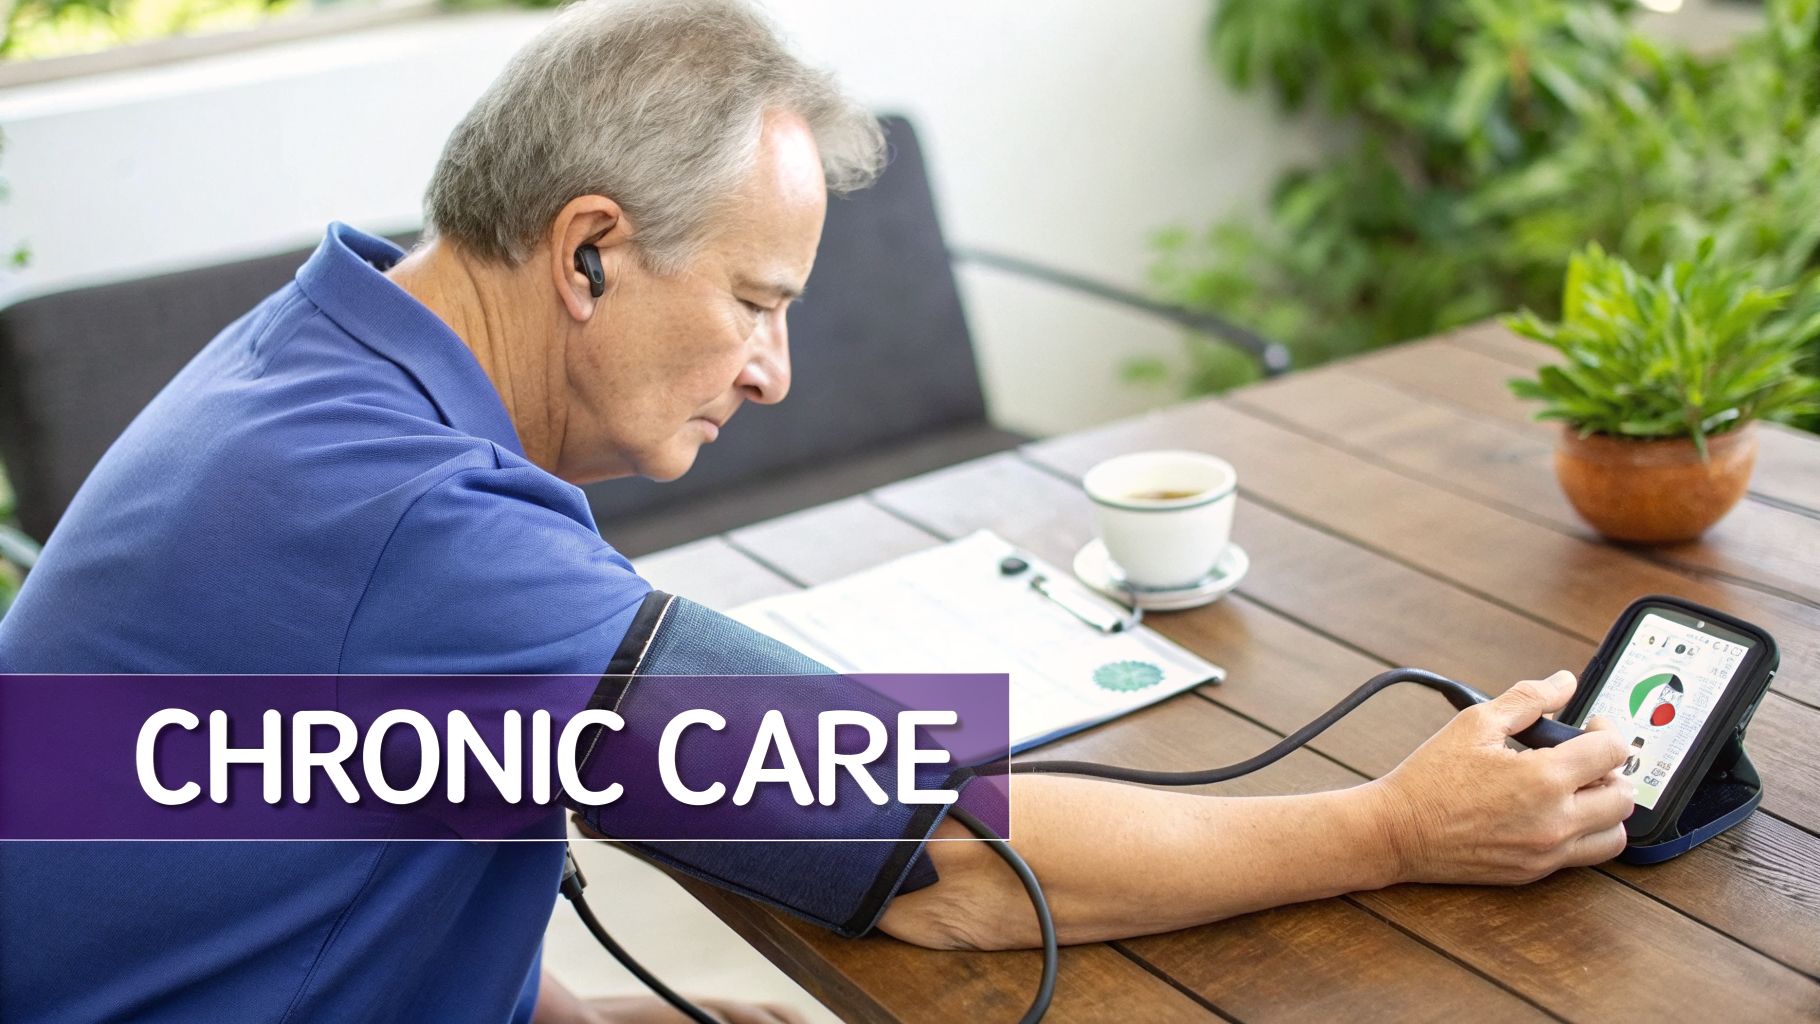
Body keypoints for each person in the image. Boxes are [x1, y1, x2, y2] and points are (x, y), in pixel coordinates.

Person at [0, 0, 1634, 1020]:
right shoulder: (417, 529)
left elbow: (322, 802)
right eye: (760, 303)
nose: (778, 372)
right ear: (586, 252)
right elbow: (962, 865)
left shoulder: (317, 352)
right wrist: (1398, 830)